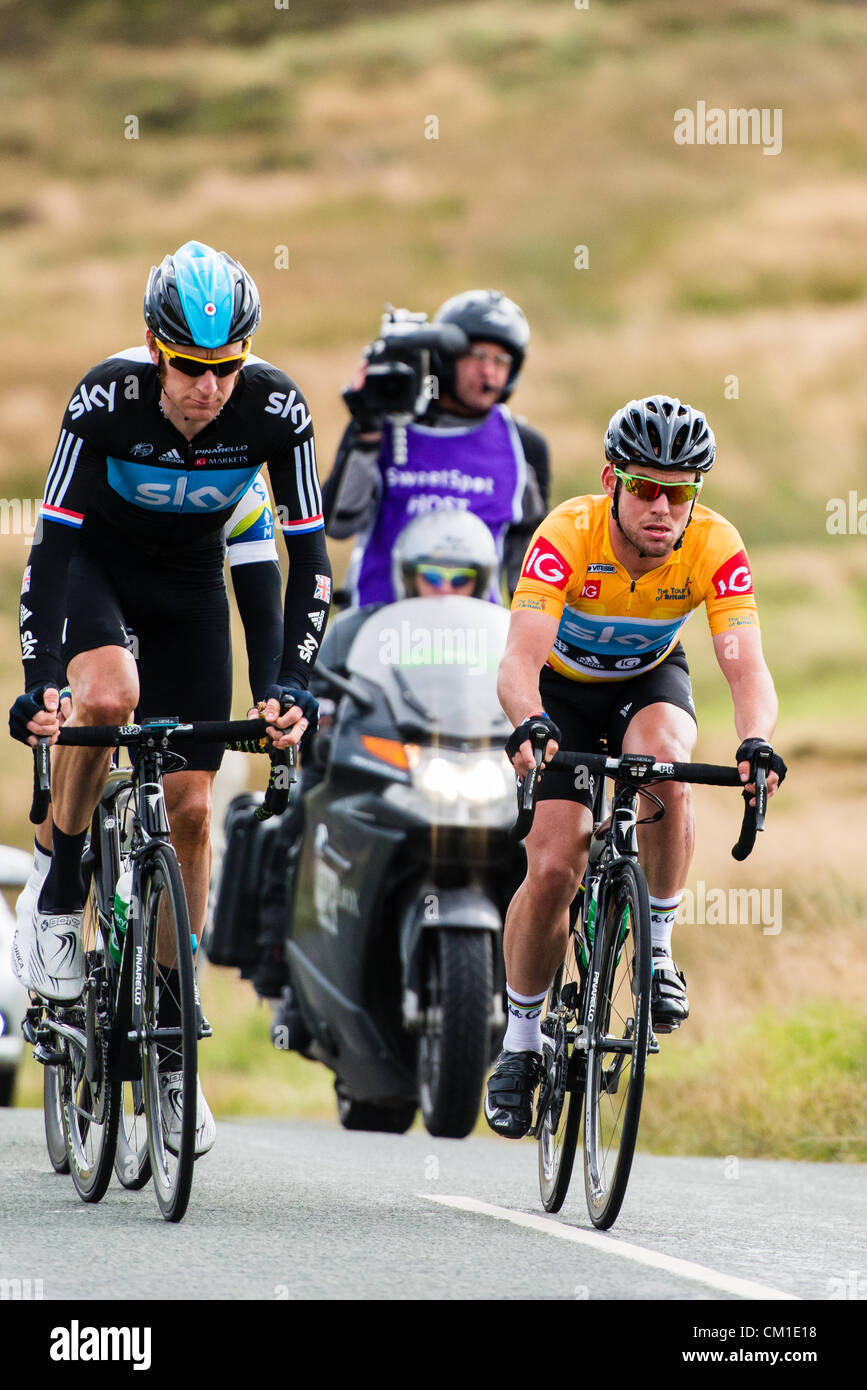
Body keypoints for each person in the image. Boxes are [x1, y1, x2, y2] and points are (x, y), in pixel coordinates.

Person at [8, 240, 332, 1152]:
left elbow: (305, 563)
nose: (208, 388)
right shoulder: (104, 399)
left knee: (191, 809)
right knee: (109, 698)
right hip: (100, 574)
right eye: (190, 367)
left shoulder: (275, 408)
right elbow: (51, 551)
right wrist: (40, 680)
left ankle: (174, 1042)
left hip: (191, 590)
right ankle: (61, 884)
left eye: (225, 367)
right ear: (156, 348)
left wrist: (289, 685)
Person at [485, 394, 787, 1138]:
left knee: (666, 770)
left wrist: (754, 743)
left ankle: (655, 953)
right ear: (611, 481)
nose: (661, 506)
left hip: (647, 682)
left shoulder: (714, 544)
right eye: (644, 487)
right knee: (554, 865)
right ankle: (519, 1044)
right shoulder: (567, 534)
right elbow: (518, 660)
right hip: (560, 692)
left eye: (677, 491)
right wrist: (528, 722)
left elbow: (746, 669)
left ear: (694, 498)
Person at [322, 290, 550, 604]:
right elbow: (336, 525)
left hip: (477, 640)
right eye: (478, 355)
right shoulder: (388, 424)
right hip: (378, 629)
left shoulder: (523, 445)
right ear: (446, 357)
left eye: (501, 360)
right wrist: (366, 433)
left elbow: (526, 560)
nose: (488, 372)